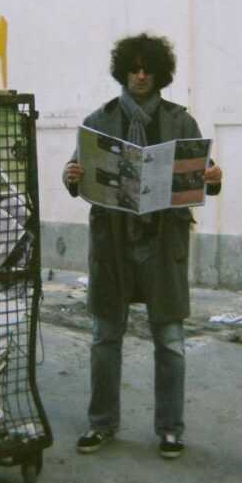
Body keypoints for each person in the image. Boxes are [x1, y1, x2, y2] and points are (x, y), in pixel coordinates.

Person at [62, 32, 222, 459]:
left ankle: (170, 430)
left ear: (159, 73)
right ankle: (102, 425)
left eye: (147, 69)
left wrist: (213, 178)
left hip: (161, 243)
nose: (139, 75)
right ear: (123, 71)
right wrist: (71, 176)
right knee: (104, 336)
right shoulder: (98, 121)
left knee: (169, 339)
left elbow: (204, 173)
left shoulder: (180, 122)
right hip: (112, 245)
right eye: (133, 68)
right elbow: (75, 169)